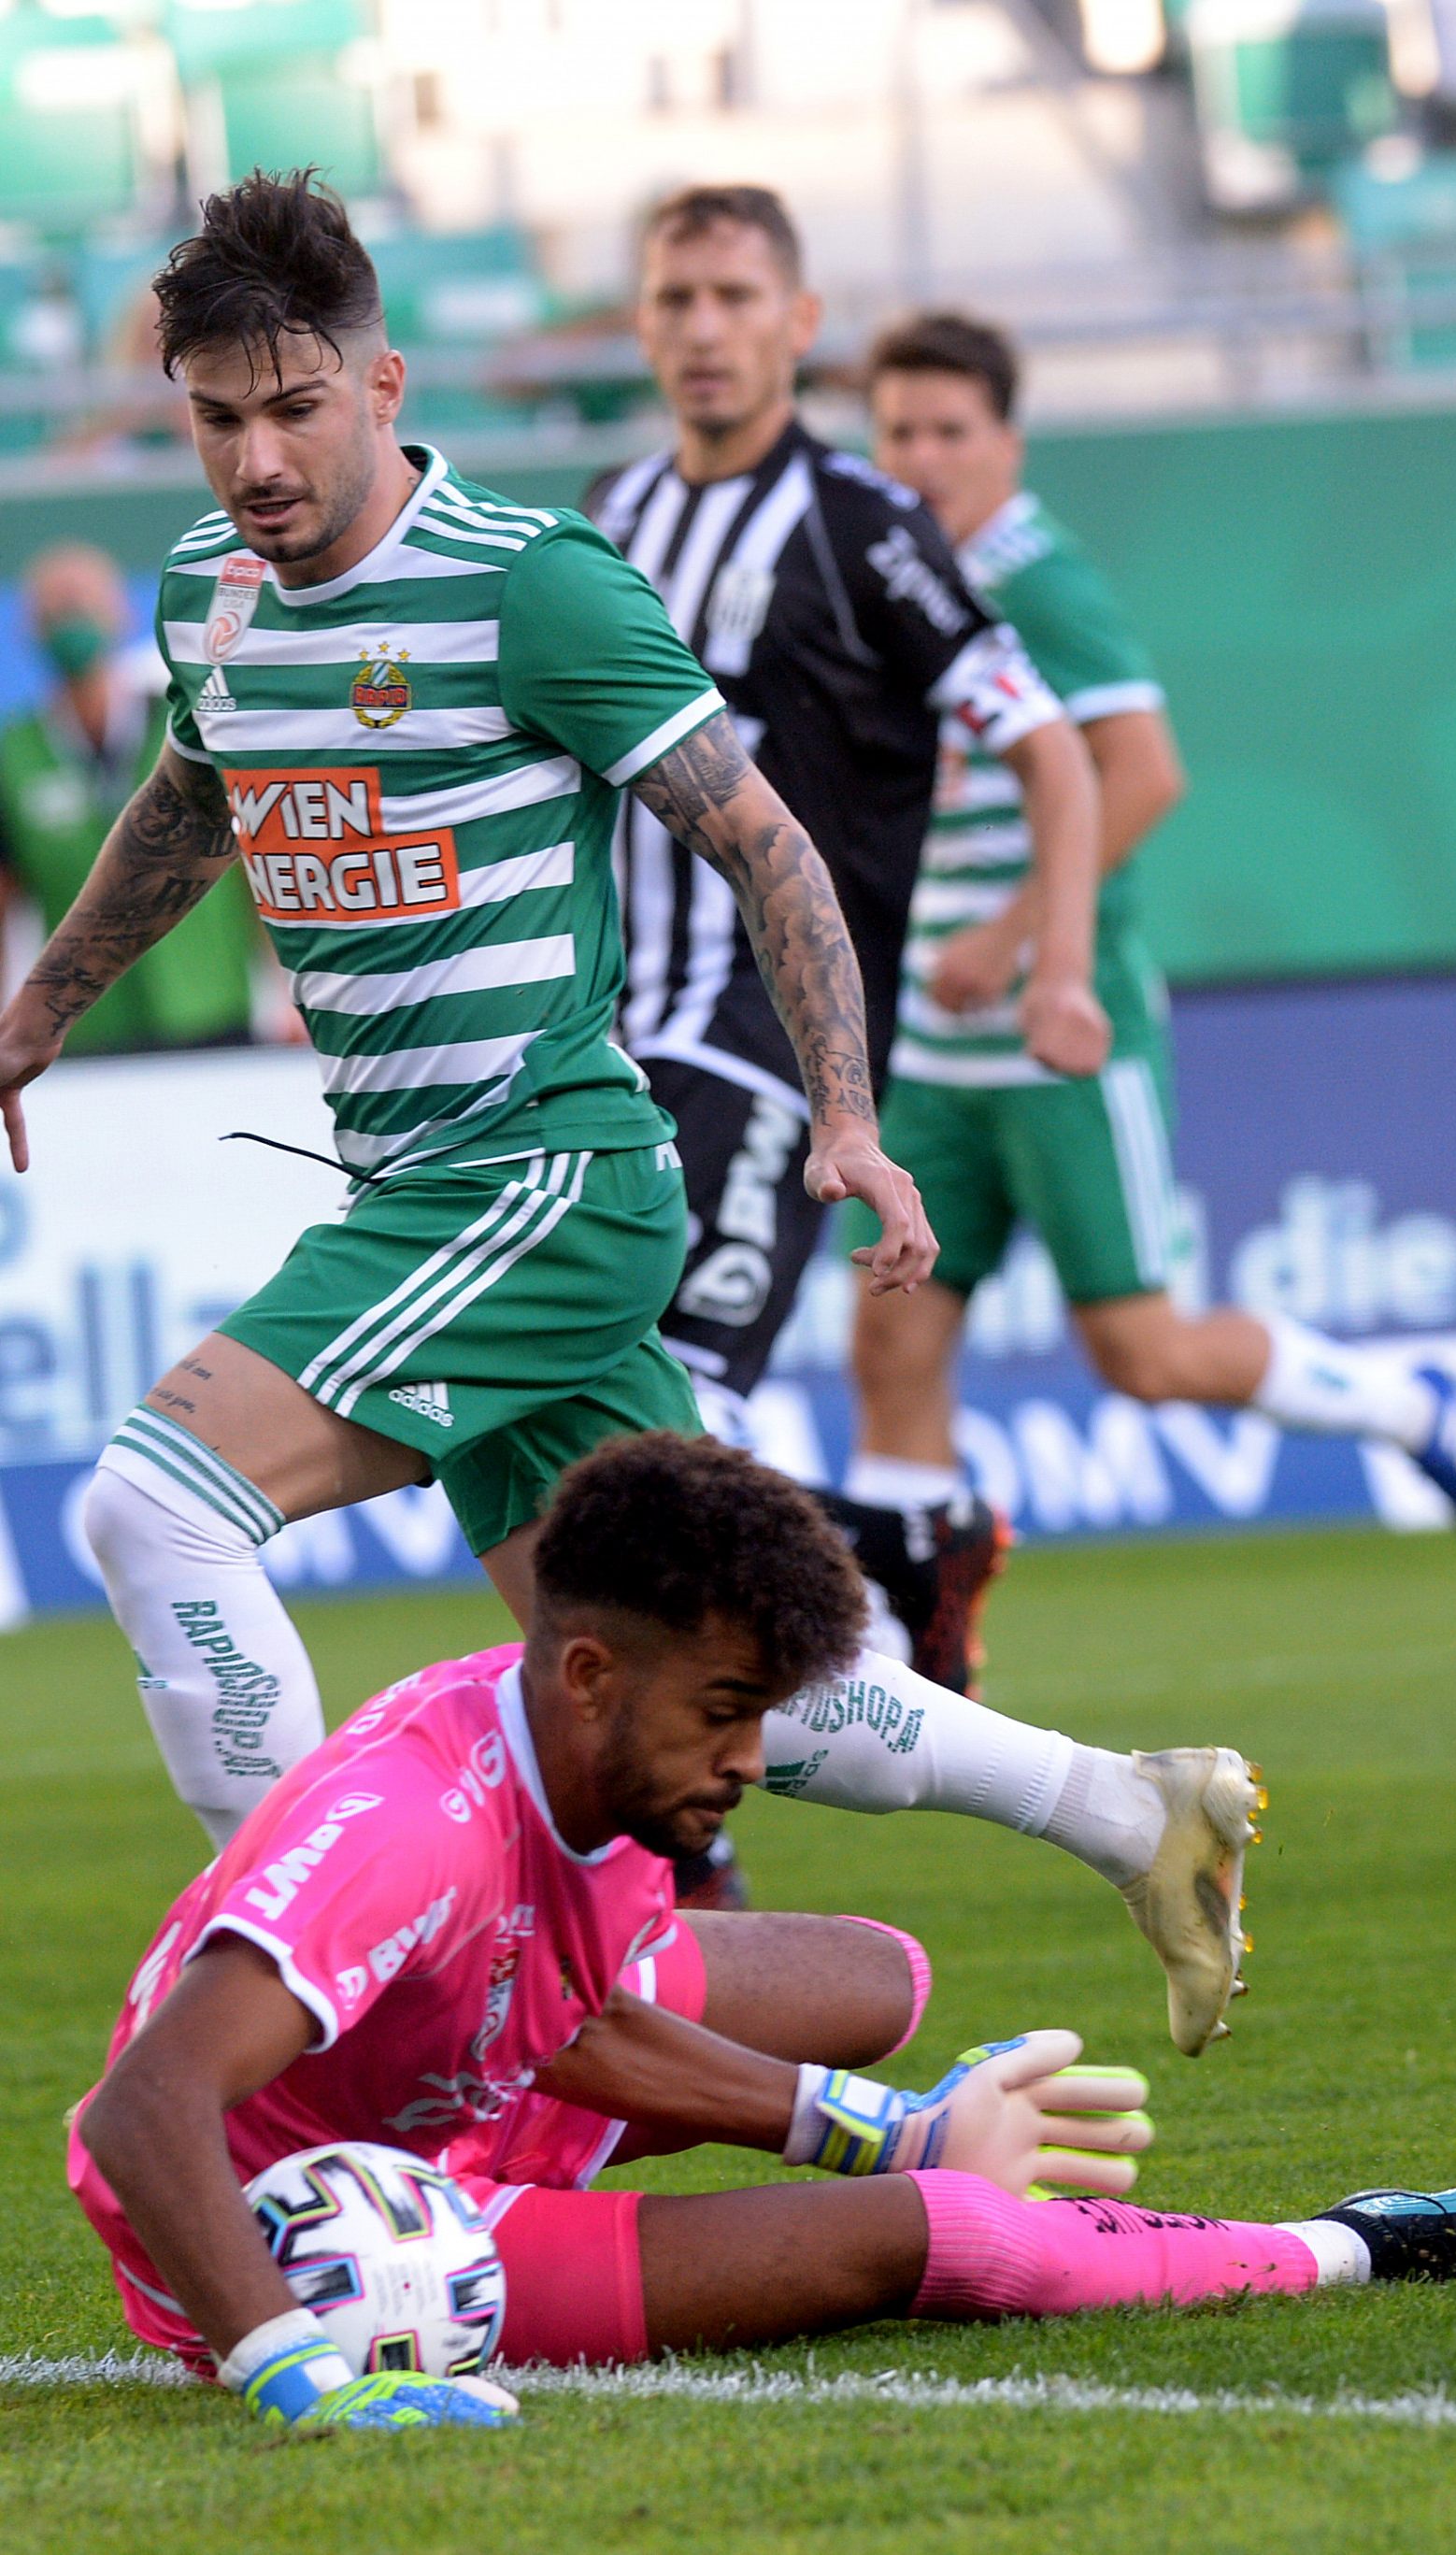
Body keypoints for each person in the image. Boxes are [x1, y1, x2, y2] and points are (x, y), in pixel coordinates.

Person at [0, 167, 930, 1854]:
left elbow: (768, 844)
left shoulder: (528, 583)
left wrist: (846, 1114)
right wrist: (44, 1001)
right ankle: (1125, 1804)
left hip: (535, 1173)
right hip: (419, 1183)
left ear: (380, 382)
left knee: (155, 1502)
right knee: (679, 1680)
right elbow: (191, 800)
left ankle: (310, 1950)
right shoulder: (204, 590)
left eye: (292, 407)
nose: (258, 459)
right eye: (217, 420)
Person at [66, 1434, 1456, 2429]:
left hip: (457, 2068)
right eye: (727, 1712)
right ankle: (1387, 2233)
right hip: (324, 2228)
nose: (749, 1763)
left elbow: (570, 2012)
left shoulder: (590, 1755)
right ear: (597, 1672)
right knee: (948, 2242)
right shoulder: (408, 1825)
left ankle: (908, 2133)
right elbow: (143, 2103)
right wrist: (290, 2362)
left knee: (876, 1976)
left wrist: (884, 2119)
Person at [843, 311, 1456, 1677]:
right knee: (891, 1343)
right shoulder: (890, 569)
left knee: (1142, 1356)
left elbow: (1141, 772)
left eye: (947, 432)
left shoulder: (1036, 578)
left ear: (1006, 443)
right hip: (929, 1047)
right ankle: (913, 1643)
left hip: (1054, 1032)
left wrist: (1019, 935)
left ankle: (1417, 1408)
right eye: (898, 430)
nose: (918, 457)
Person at [584, 190, 1106, 1480]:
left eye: (735, 297)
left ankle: (845, 1665)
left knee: (683, 1405)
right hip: (605, 1035)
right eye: (675, 299)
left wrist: (1061, 965)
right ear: (642, 325)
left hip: (770, 1030)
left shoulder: (861, 525)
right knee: (613, 1403)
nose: (704, 329)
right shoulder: (612, 511)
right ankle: (883, 1596)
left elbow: (1051, 748)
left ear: (798, 321)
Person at [0, 541, 260, 1053]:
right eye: (54, 608)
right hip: (87, 1029)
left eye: (83, 602)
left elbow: (258, 866)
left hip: (212, 1009)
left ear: (120, 612)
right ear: (30, 630)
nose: (70, 620)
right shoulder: (13, 757)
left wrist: (293, 989)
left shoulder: (191, 731)